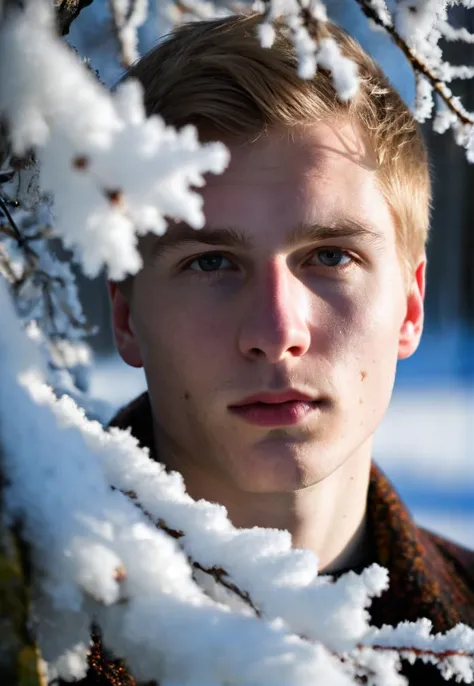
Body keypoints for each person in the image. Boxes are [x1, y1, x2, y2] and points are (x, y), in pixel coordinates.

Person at [75, 12, 474, 685]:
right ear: (126, 314)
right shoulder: (26, 629)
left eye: (328, 256)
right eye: (210, 263)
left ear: (409, 305)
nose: (275, 330)